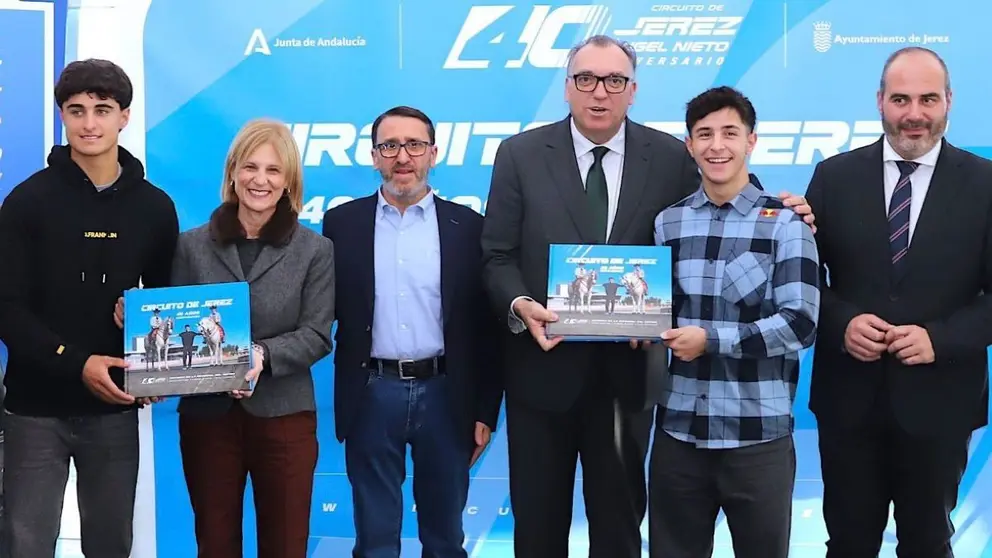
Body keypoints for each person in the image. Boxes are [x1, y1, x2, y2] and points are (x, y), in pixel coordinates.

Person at [479, 35, 816, 558]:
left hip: (629, 380)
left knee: (619, 530)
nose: (599, 93)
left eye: (614, 81)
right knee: (537, 528)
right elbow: (496, 254)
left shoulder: (667, 155)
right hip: (541, 376)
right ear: (566, 88)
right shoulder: (520, 154)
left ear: (632, 91)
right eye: (585, 79)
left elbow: (723, 195)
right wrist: (521, 306)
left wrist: (785, 207)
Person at [804, 46, 992, 558]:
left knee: (929, 543)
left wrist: (940, 338)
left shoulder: (985, 184)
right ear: (880, 101)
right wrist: (840, 323)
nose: (914, 113)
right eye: (901, 98)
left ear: (949, 101)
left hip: (941, 403)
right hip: (849, 402)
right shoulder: (833, 178)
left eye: (928, 98)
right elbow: (798, 281)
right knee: (848, 543)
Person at [0, 58, 179, 557]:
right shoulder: (26, 201)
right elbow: (6, 307)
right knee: (24, 543)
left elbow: (166, 304)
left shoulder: (154, 207)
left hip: (114, 409)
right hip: (33, 410)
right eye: (76, 110)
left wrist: (157, 362)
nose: (89, 123)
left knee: (110, 543)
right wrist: (75, 362)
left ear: (124, 116)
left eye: (103, 110)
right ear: (62, 116)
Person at [322, 106, 503, 558]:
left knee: (445, 540)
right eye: (390, 146)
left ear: (433, 153)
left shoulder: (468, 227)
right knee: (375, 539)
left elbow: (487, 331)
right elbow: (317, 306)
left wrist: (484, 408)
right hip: (371, 393)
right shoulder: (342, 225)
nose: (403, 156)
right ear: (374, 156)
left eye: (414, 145)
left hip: (447, 396)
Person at [650, 86, 820, 558]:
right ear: (689, 145)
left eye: (730, 132)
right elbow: (653, 308)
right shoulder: (669, 223)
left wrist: (711, 340)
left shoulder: (785, 224)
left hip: (757, 437)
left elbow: (801, 324)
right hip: (678, 432)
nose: (716, 145)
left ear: (751, 141)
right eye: (704, 134)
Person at [164, 118, 334, 557]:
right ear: (233, 173)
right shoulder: (191, 246)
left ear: (289, 182)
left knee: (285, 544)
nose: (260, 180)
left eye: (274, 171)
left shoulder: (315, 250)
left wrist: (260, 355)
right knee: (215, 543)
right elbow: (177, 326)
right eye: (251, 167)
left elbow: (317, 334)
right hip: (208, 419)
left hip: (285, 416)